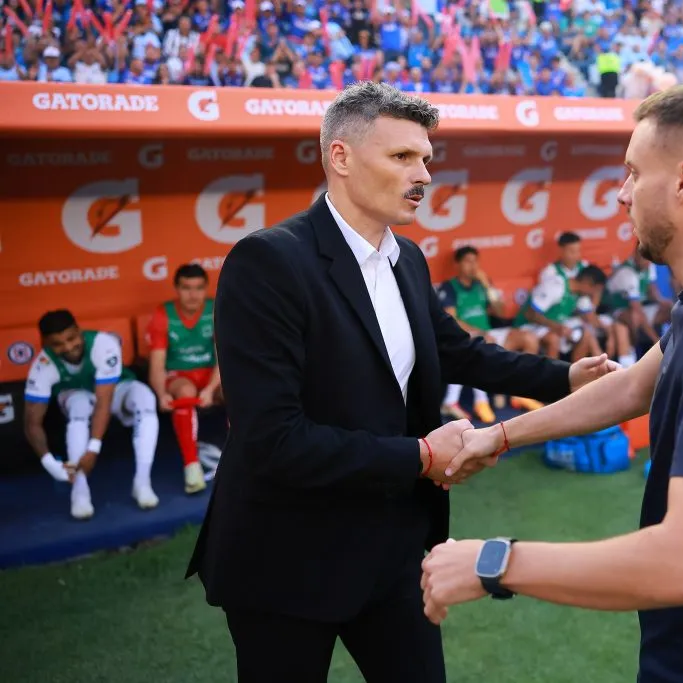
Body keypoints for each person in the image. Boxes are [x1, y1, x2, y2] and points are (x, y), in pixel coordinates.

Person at [184, 82, 616, 683]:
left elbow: (457, 351)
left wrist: (566, 376)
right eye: (402, 156)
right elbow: (272, 439)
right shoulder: (268, 261)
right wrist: (421, 456)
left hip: (392, 548)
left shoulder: (406, 258)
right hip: (287, 556)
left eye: (426, 159)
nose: (424, 175)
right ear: (340, 157)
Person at [421, 78, 683, 683]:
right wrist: (499, 435)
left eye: (634, 172)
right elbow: (635, 386)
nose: (620, 194)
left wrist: (492, 563)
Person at [23, 310, 160, 519]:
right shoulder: (42, 366)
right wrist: (49, 463)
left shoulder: (103, 344)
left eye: (71, 338)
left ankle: (142, 482)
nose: (68, 347)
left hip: (114, 391)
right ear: (45, 343)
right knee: (79, 404)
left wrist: (93, 450)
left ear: (79, 331)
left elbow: (103, 403)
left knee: (144, 397)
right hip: (77, 397)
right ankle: (79, 491)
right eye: (57, 344)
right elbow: (31, 422)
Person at [437, 245, 544, 422]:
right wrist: (478, 332)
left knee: (528, 338)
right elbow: (451, 320)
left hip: (488, 332)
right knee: (483, 342)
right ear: (457, 264)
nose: (473, 266)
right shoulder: (449, 287)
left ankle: (520, 393)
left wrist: (488, 286)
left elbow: (500, 312)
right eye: (468, 261)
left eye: (475, 261)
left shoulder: (482, 284)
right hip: (464, 334)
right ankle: (481, 401)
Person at [145, 263, 222, 494]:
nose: (193, 295)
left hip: (211, 374)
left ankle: (247, 456)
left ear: (206, 288)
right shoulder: (163, 314)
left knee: (237, 388)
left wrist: (210, 389)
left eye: (199, 288)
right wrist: (161, 394)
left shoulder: (216, 309)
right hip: (180, 375)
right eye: (186, 288)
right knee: (185, 391)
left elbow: (225, 357)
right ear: (176, 289)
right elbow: (157, 364)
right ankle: (192, 466)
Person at [513, 264, 607, 362]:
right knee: (553, 339)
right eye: (595, 290)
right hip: (528, 325)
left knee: (586, 334)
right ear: (587, 283)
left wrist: (609, 331)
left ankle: (577, 369)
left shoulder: (580, 295)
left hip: (552, 326)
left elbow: (591, 317)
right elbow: (530, 313)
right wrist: (556, 327)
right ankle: (552, 371)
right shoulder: (556, 286)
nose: (594, 294)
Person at [602, 242, 673, 344]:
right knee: (635, 317)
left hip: (640, 307)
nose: (648, 263)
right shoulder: (627, 273)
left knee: (671, 308)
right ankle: (634, 348)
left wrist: (661, 301)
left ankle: (675, 342)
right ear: (636, 254)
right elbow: (637, 308)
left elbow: (651, 289)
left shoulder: (648, 265)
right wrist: (656, 339)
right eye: (645, 259)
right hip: (617, 310)